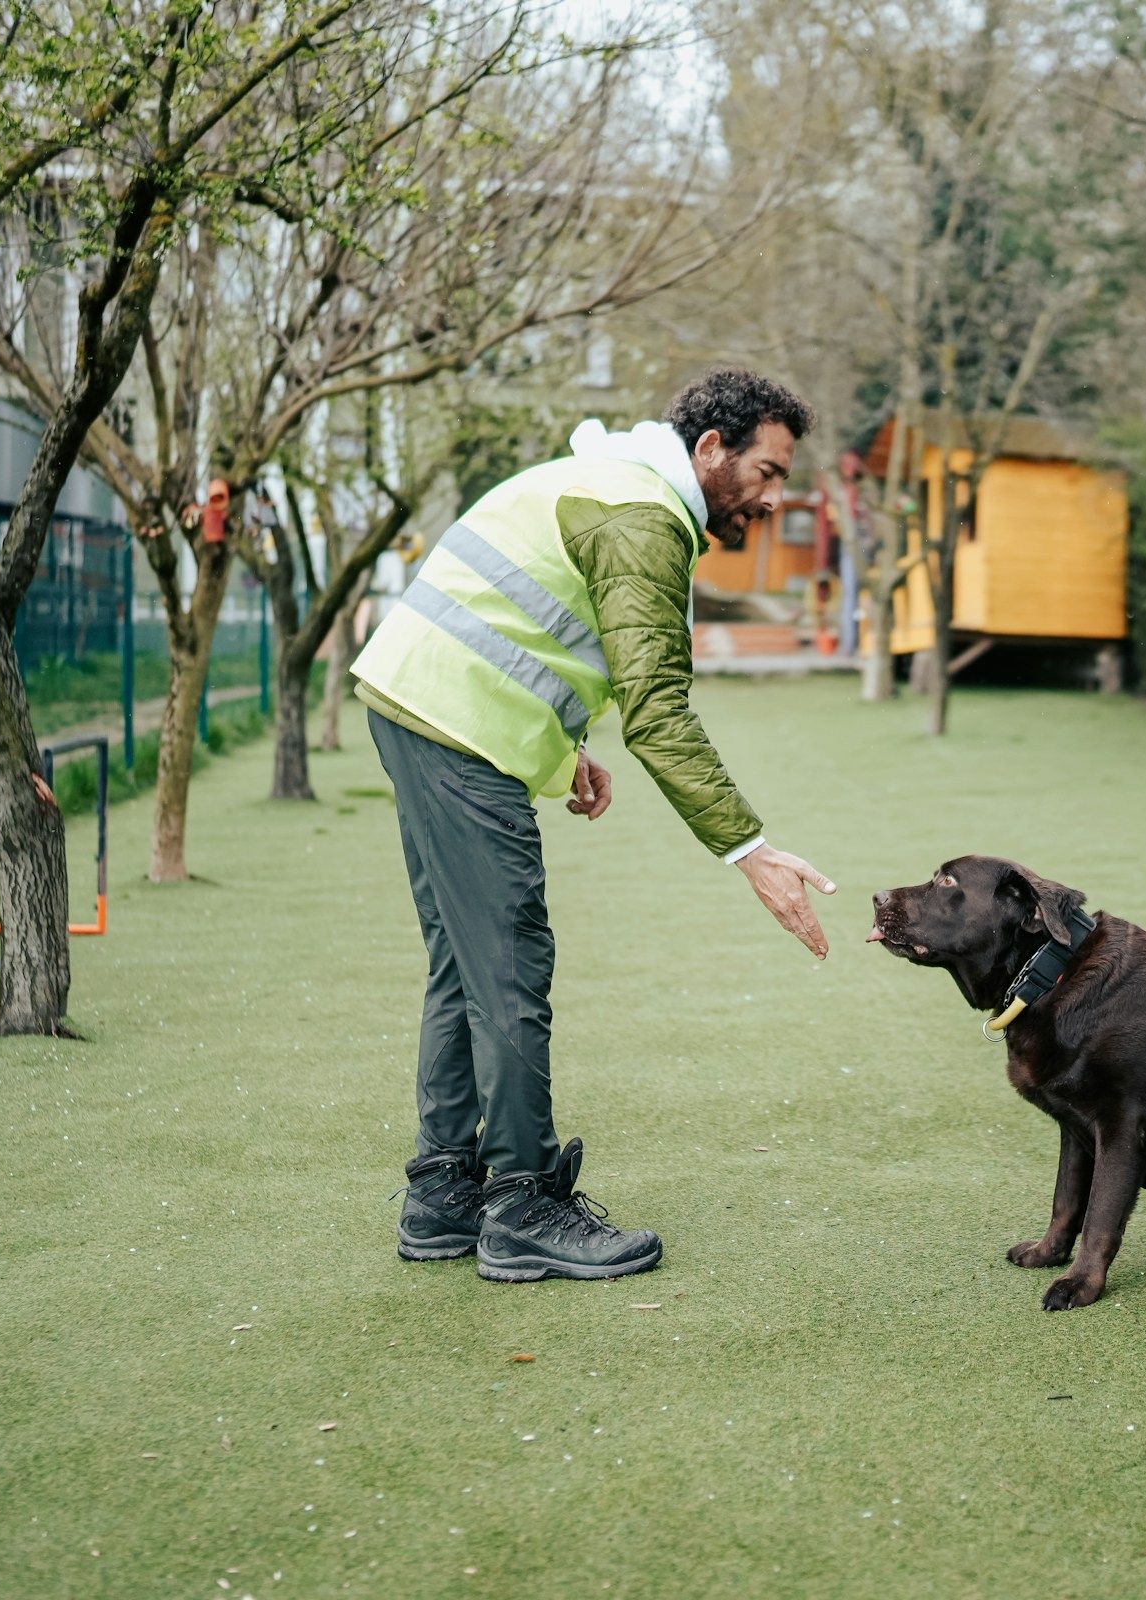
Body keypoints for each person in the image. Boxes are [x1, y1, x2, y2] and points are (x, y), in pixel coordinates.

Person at [351, 368, 836, 1283]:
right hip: (453, 722)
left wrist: (560, 743)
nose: (774, 498)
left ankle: (444, 1192)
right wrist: (750, 850)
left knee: (466, 962)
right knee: (507, 964)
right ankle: (522, 1205)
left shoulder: (618, 484)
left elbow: (533, 620)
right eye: (766, 473)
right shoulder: (643, 517)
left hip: (420, 700)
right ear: (709, 450)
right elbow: (657, 709)